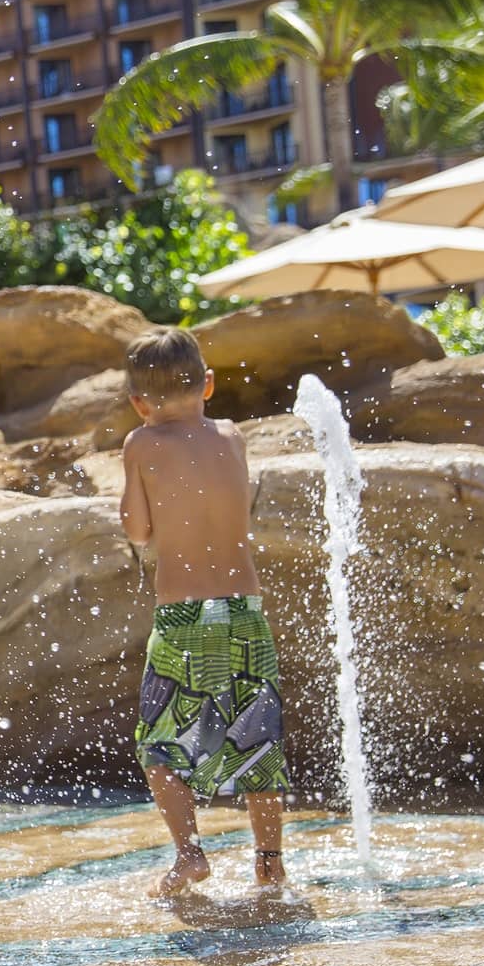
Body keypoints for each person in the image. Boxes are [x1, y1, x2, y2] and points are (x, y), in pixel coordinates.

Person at [118, 327, 290, 898]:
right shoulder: (233, 437)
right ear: (208, 385)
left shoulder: (141, 443)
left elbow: (139, 531)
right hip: (244, 609)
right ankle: (269, 863)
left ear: (140, 403)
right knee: (257, 737)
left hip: (184, 617)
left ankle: (190, 855)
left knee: (158, 741)